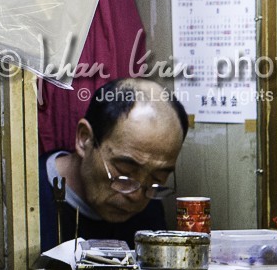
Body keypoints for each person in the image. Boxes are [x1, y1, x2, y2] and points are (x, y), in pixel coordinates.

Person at [41, 77, 188, 249]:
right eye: (124, 171)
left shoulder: (149, 203)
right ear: (84, 139)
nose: (136, 196)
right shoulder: (28, 198)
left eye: (157, 178)